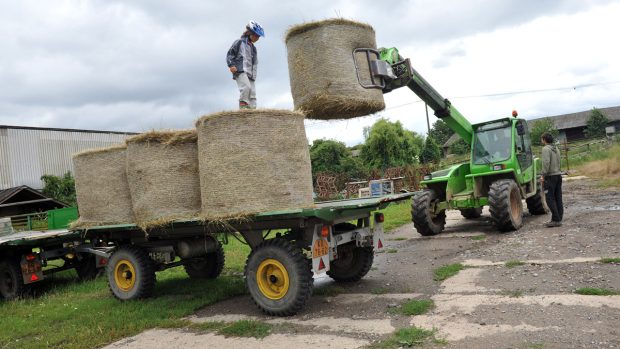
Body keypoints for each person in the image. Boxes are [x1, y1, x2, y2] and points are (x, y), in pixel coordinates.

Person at [226, 20, 264, 109]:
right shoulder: (239, 42)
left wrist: (254, 75)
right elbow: (230, 54)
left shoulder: (253, 48)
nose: (257, 38)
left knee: (253, 92)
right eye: (256, 36)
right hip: (240, 70)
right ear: (250, 33)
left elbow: (255, 62)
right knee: (246, 87)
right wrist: (231, 65)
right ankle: (243, 106)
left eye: (258, 37)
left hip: (250, 73)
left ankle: (252, 109)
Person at [540, 132, 563, 227]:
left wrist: (543, 175)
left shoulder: (545, 149)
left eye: (542, 139)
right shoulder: (556, 148)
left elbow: (546, 162)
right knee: (558, 197)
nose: (541, 141)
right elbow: (559, 161)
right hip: (558, 175)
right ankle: (558, 217)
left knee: (549, 198)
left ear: (544, 139)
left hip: (550, 177)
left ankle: (556, 220)